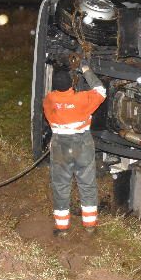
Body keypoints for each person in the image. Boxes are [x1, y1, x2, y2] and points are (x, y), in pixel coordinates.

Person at [42, 61, 106, 237]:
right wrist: (86, 70)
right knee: (87, 184)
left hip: (61, 148)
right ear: (72, 84)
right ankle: (90, 225)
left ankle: (62, 228)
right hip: (82, 146)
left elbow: (55, 106)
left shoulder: (49, 100)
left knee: (61, 185)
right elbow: (101, 90)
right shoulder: (82, 99)